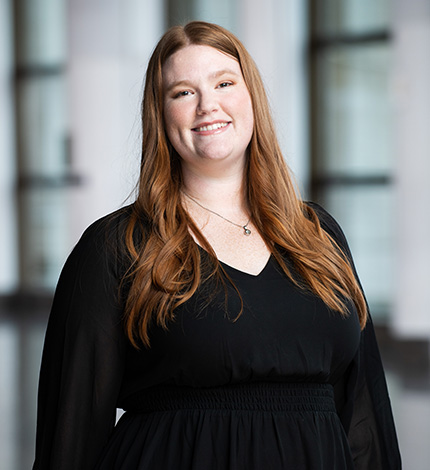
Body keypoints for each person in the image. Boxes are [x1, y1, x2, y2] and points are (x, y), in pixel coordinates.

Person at [33, 21, 401, 469]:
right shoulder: (116, 247)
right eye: (182, 93)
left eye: (224, 83)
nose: (208, 105)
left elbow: (364, 410)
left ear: (252, 99)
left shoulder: (319, 234)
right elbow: (71, 436)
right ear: (161, 113)